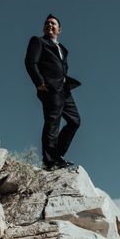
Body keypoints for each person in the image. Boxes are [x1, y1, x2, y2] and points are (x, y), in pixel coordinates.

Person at [25, 14, 82, 171]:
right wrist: (39, 83)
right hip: (49, 88)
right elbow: (30, 62)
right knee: (53, 123)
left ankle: (57, 155)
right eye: (47, 23)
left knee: (75, 121)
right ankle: (49, 161)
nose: (49, 25)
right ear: (44, 27)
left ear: (59, 29)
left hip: (64, 89)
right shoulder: (38, 41)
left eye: (53, 23)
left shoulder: (63, 49)